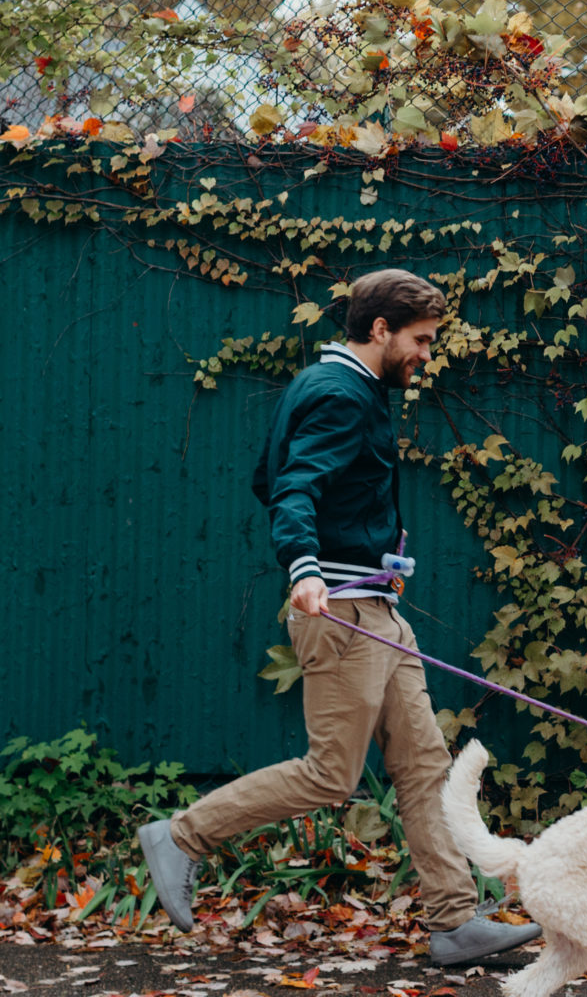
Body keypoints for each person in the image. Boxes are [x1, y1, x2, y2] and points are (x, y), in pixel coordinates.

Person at [138, 269, 540, 964]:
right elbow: (292, 487)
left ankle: (455, 922)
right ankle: (181, 836)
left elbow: (269, 474)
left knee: (423, 764)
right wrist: (306, 566)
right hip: (345, 610)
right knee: (331, 775)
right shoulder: (339, 395)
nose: (425, 354)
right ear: (379, 330)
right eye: (419, 340)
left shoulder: (330, 386)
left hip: (374, 604)